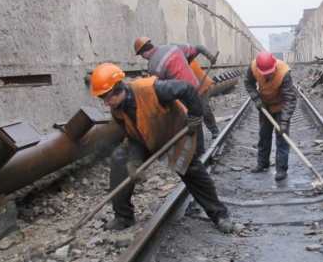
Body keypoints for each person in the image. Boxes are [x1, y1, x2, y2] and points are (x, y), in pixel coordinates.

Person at [90, 62, 233, 233]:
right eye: (102, 98)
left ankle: (219, 215)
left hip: (173, 134)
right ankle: (123, 216)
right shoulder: (117, 109)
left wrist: (195, 116)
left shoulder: (152, 88)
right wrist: (135, 161)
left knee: (192, 170)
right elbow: (133, 135)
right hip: (145, 138)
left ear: (118, 88)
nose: (105, 103)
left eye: (107, 97)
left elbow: (187, 89)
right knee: (120, 159)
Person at [134, 36, 219, 149]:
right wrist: (210, 57)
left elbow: (161, 89)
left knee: (193, 120)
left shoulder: (152, 67)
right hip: (195, 86)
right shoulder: (173, 47)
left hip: (184, 96)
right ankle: (209, 138)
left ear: (145, 52)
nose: (143, 58)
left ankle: (200, 148)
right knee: (200, 114)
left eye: (141, 55)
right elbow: (198, 47)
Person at [244, 51, 297, 181]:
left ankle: (281, 169)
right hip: (265, 106)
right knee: (264, 135)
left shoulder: (284, 73)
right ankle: (262, 163)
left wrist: (284, 121)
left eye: (270, 72)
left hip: (281, 106)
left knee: (282, 137)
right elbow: (248, 83)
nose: (269, 75)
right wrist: (256, 98)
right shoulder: (253, 67)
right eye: (265, 74)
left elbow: (290, 98)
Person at [189, 59, 220, 139]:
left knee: (205, 110)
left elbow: (199, 48)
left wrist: (210, 57)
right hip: (190, 89)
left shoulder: (188, 59)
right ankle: (197, 138)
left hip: (201, 86)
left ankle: (214, 130)